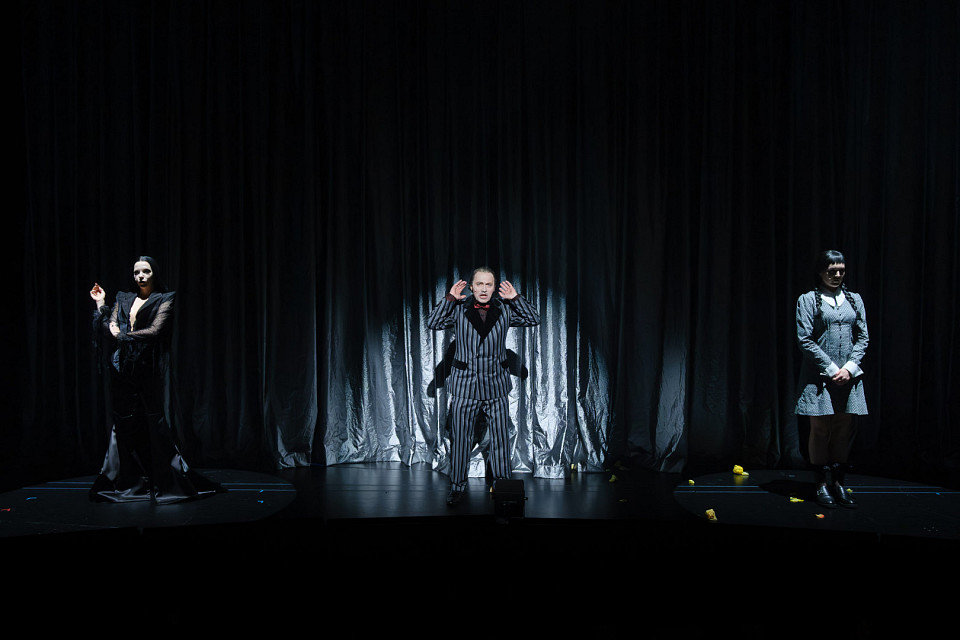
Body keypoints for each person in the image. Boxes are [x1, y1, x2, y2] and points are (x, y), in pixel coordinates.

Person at [89, 256, 220, 503]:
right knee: (125, 425)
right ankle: (129, 483)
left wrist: (123, 335)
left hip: (147, 370)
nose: (140, 276)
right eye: (137, 272)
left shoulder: (164, 299)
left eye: (146, 271)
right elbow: (110, 328)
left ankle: (166, 481)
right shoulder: (123, 298)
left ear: (154, 273)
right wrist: (101, 304)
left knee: (154, 424)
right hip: (121, 370)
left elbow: (156, 331)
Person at [426, 267, 540, 506]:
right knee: (461, 441)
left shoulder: (505, 309)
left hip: (496, 387)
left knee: (499, 441)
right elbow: (433, 322)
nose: (484, 289)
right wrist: (449, 298)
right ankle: (457, 487)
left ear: (495, 287)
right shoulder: (458, 309)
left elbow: (533, 318)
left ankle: (502, 489)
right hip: (464, 387)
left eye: (489, 284)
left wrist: (515, 298)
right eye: (479, 284)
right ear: (471, 287)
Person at [795, 250, 868, 508]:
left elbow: (863, 337)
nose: (837, 275)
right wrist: (831, 367)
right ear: (820, 272)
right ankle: (821, 483)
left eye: (841, 271)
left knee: (842, 429)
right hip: (819, 377)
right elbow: (804, 339)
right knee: (820, 429)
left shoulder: (854, 299)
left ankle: (838, 482)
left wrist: (849, 368)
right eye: (831, 271)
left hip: (848, 376)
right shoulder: (808, 300)